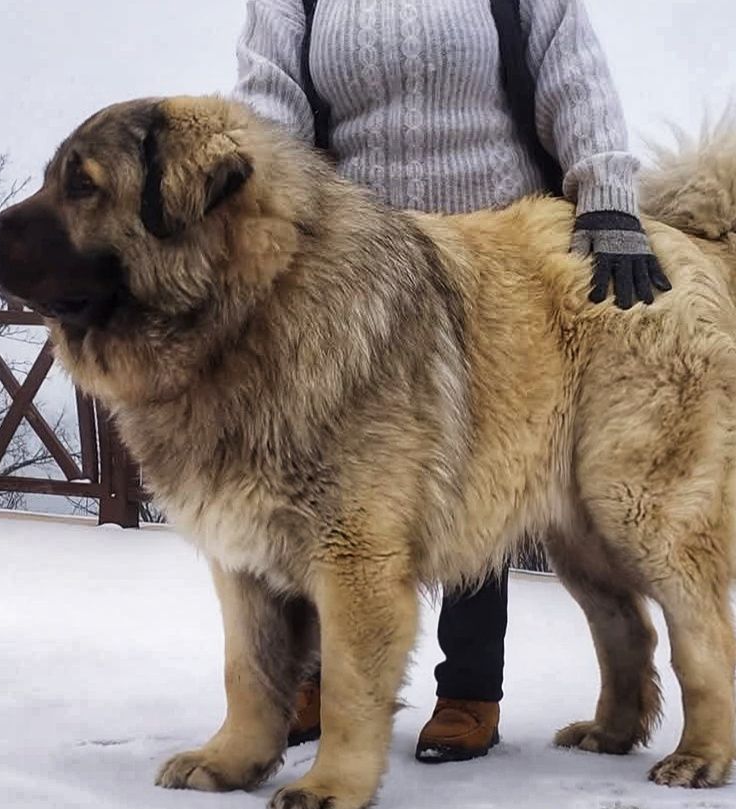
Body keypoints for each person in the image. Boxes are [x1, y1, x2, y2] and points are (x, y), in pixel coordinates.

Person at [232, 0, 669, 764]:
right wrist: (255, 207)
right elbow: (270, 97)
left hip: (498, 268)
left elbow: (573, 72)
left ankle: (469, 691)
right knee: (327, 487)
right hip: (354, 270)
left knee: (473, 472)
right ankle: (321, 683)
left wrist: (608, 197)